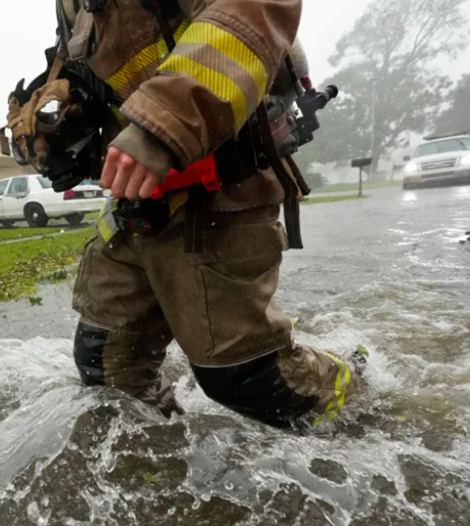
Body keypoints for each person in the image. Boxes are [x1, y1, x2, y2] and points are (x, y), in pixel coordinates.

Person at [30, 0, 370, 430]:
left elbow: (252, 9)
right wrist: (55, 122)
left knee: (246, 377)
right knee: (106, 366)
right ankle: (165, 465)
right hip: (134, 206)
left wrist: (161, 125)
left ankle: (358, 391)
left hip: (219, 190)